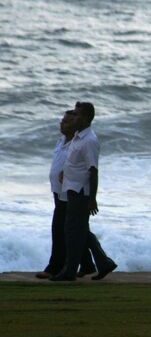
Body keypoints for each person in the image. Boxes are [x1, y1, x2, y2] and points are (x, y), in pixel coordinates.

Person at [51, 102, 117, 281]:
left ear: (87, 118)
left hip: (81, 192)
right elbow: (74, 162)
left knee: (74, 232)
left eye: (78, 115)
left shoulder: (89, 141)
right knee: (79, 231)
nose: (74, 118)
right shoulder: (78, 136)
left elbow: (93, 170)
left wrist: (92, 199)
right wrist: (65, 172)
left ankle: (70, 271)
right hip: (71, 189)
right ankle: (103, 263)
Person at [35, 110, 96, 279]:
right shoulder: (62, 140)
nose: (62, 124)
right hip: (58, 191)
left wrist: (91, 197)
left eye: (67, 122)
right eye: (62, 121)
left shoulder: (78, 143)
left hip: (71, 192)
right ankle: (88, 264)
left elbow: (88, 169)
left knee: (63, 229)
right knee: (74, 230)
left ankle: (55, 267)